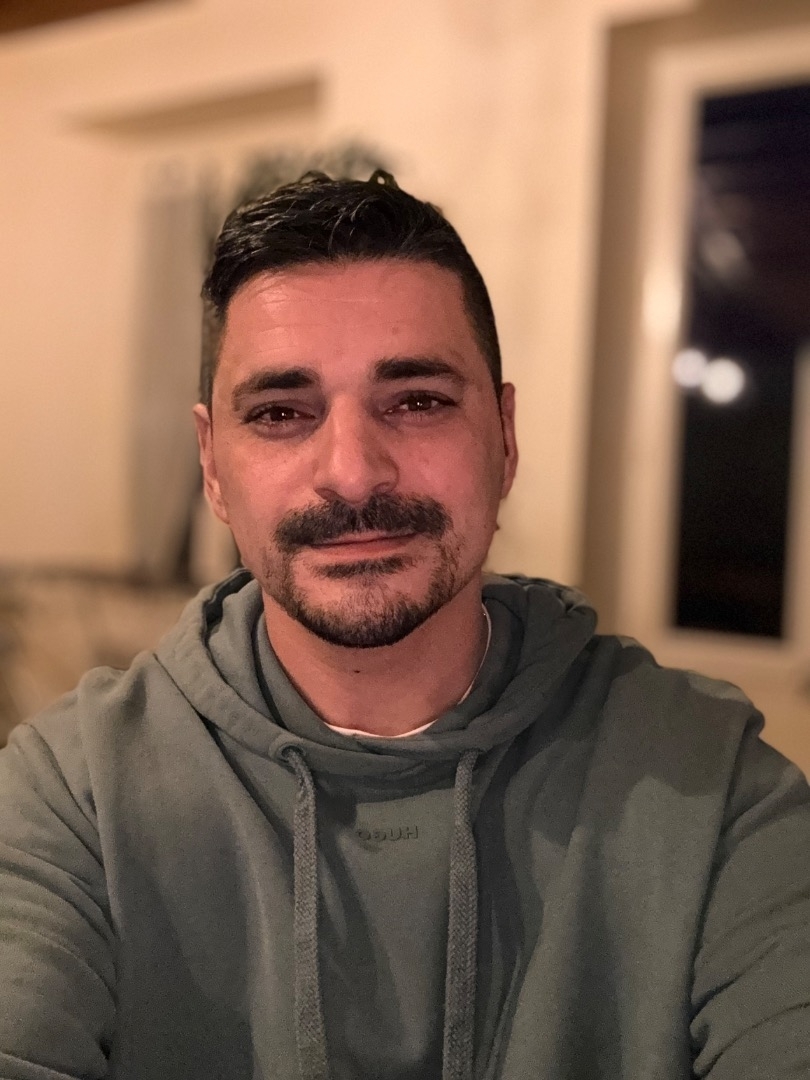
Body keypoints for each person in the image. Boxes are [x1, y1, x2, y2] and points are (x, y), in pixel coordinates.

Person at [0, 171, 808, 1080]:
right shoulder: (73, 795)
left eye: (417, 400)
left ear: (504, 438)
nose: (352, 472)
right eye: (280, 413)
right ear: (213, 467)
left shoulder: (709, 783)